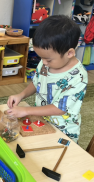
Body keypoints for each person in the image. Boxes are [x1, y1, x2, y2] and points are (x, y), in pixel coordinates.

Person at [7, 15, 88, 143]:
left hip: (64, 132)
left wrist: (25, 110)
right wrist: (21, 95)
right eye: (41, 58)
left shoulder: (78, 77)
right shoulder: (46, 63)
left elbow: (60, 108)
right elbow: (37, 82)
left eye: (48, 59)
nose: (43, 63)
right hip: (41, 121)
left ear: (70, 53)